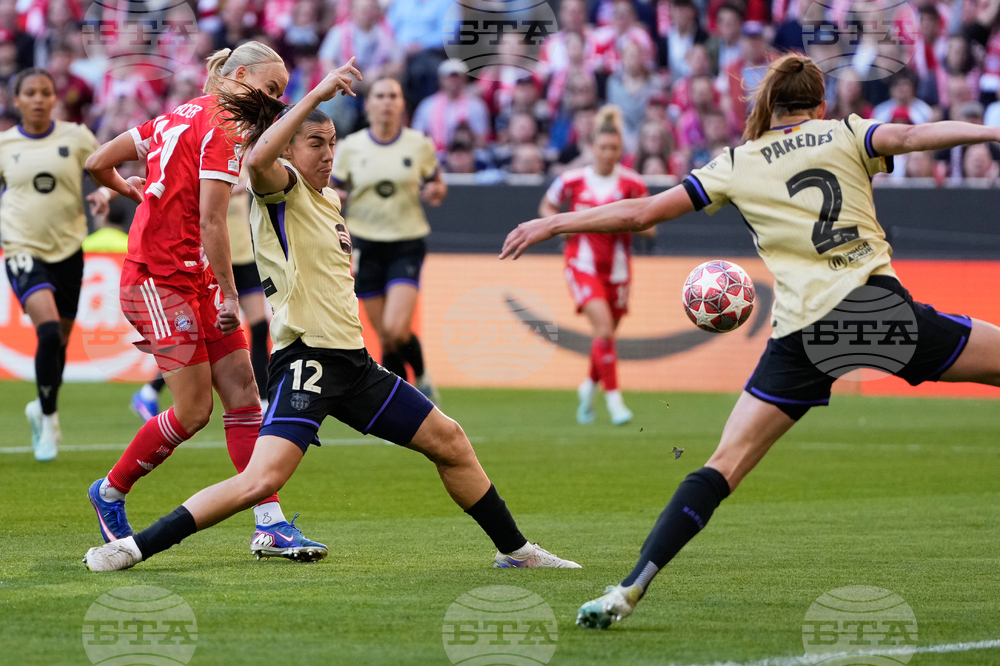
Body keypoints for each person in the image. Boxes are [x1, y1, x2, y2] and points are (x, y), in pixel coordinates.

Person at [501, 54, 1000, 629]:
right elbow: (913, 135)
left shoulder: (735, 163)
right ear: (819, 102)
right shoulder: (846, 131)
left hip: (806, 333)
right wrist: (989, 128)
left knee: (722, 465)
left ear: (771, 104)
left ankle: (630, 587)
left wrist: (555, 222)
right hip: (877, 313)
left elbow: (642, 214)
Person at [83, 61, 580, 572]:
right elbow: (256, 162)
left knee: (450, 440)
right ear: (289, 149)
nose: (327, 153)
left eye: (332, 142)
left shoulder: (330, 197)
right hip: (308, 365)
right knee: (258, 480)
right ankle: (131, 548)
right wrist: (316, 93)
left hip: (355, 365)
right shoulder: (280, 187)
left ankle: (516, 551)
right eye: (314, 143)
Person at [83, 42, 325, 561]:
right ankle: (109, 492)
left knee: (244, 395)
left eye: (281, 93)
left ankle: (271, 524)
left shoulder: (178, 115)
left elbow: (97, 161)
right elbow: (213, 221)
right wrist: (232, 296)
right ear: (238, 76)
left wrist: (133, 191)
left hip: (193, 276)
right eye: (270, 88)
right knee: (194, 411)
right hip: (158, 278)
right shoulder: (223, 128)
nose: (275, 100)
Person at [0, 67, 110, 461]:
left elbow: (101, 168)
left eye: (46, 92)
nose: (39, 99)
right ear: (17, 101)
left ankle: (42, 405)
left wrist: (101, 193)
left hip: (68, 249)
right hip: (21, 248)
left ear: (54, 98)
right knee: (47, 332)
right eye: (30, 93)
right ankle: (49, 421)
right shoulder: (4, 144)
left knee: (59, 340)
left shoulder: (77, 136)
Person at [331, 77, 446, 403]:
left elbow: (438, 183)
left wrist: (436, 191)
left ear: (402, 104)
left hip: (406, 240)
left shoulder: (419, 144)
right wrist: (336, 195)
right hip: (364, 244)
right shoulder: (352, 146)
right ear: (368, 105)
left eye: (393, 95)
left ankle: (421, 374)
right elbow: (336, 187)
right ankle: (399, 403)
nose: (386, 102)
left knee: (397, 329)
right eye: (379, 96)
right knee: (385, 336)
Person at [538, 105, 651, 427]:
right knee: (603, 329)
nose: (607, 153)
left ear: (621, 151)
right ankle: (615, 402)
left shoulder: (632, 184)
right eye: (602, 147)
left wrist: (621, 222)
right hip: (581, 264)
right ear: (591, 148)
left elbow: (651, 224)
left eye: (614, 148)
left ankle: (587, 387)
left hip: (617, 270)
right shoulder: (572, 180)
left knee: (606, 338)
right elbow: (547, 204)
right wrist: (558, 224)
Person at [130, 167, 273, 421]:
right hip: (215, 258)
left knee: (260, 326)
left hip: (243, 255)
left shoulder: (244, 157)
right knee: (204, 334)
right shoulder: (207, 163)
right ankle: (150, 391)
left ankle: (261, 400)